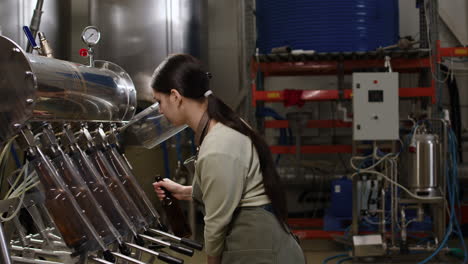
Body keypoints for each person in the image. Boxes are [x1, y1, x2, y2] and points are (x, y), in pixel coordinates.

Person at [152, 54, 305, 264]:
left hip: (259, 250)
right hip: (264, 244)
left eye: (159, 101)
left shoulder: (218, 146)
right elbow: (231, 189)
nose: (159, 110)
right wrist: (184, 191)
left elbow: (215, 226)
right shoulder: (224, 126)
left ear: (176, 96)